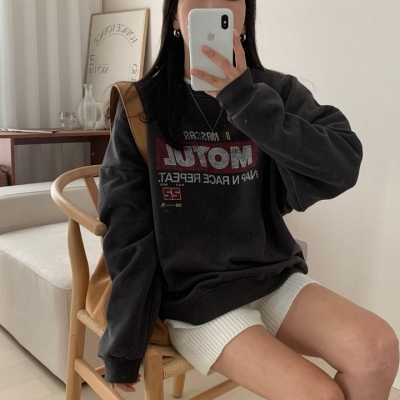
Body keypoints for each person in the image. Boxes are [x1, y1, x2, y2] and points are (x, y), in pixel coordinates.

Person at [98, 0, 399, 399]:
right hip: (193, 296)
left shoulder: (273, 93)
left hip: (270, 275)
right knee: (318, 394)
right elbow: (127, 229)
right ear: (174, 17)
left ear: (244, 18)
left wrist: (244, 100)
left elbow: (343, 163)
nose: (213, 2)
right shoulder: (141, 107)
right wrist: (124, 342)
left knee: (378, 349)